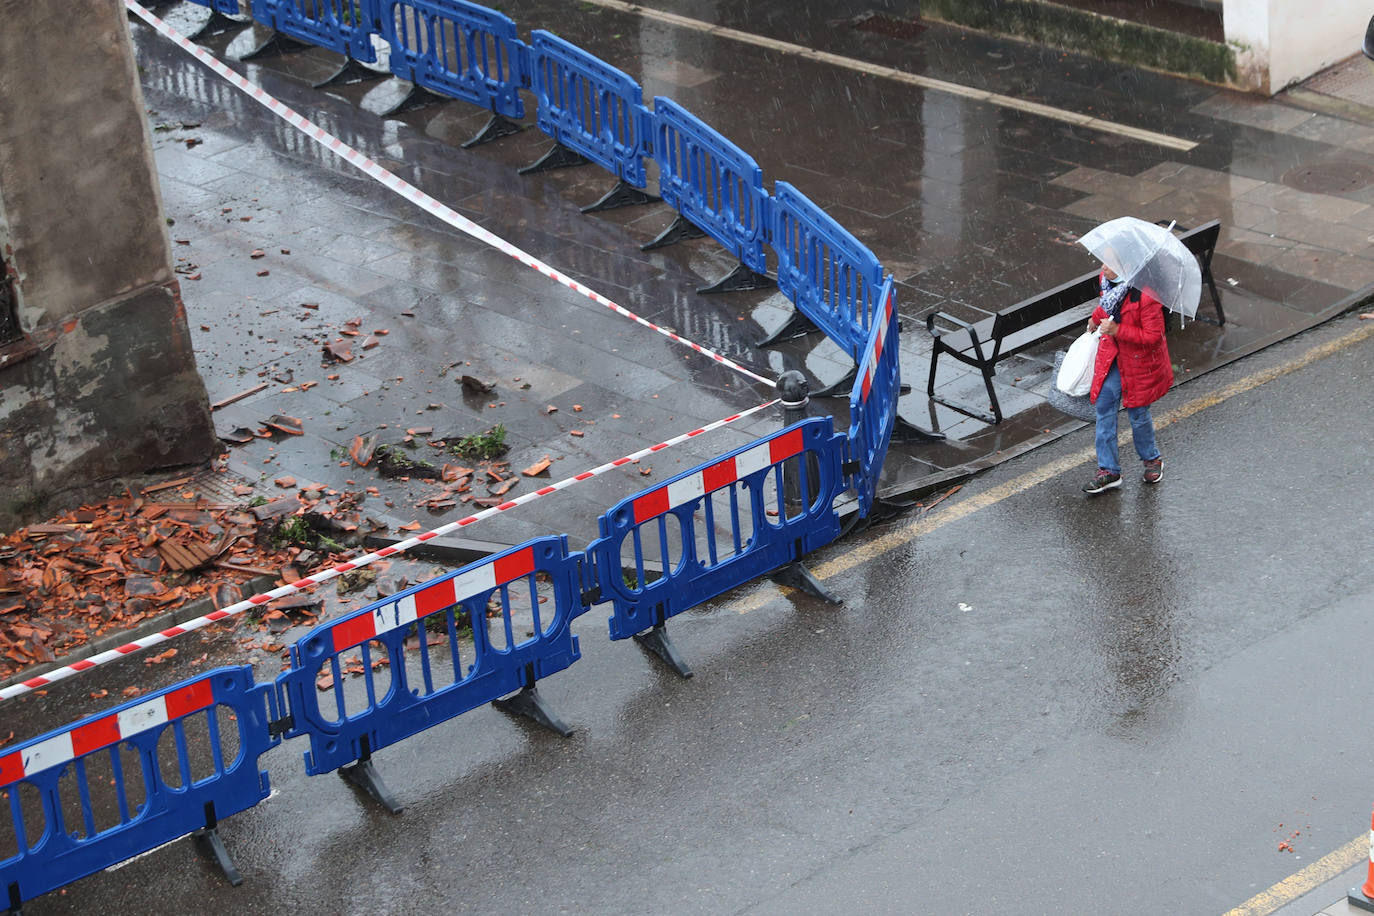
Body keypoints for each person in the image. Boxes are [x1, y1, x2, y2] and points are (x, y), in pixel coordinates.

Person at [1082, 264, 1173, 495]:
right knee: (1104, 408)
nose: (1104, 267)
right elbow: (1106, 307)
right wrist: (1095, 319)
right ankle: (1108, 470)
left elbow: (1153, 336)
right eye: (1103, 260)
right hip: (1113, 355)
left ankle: (1152, 459)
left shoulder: (1146, 295)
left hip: (1139, 363)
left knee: (1138, 413)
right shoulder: (1106, 280)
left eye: (1110, 263)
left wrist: (1117, 330)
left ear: (1126, 267)